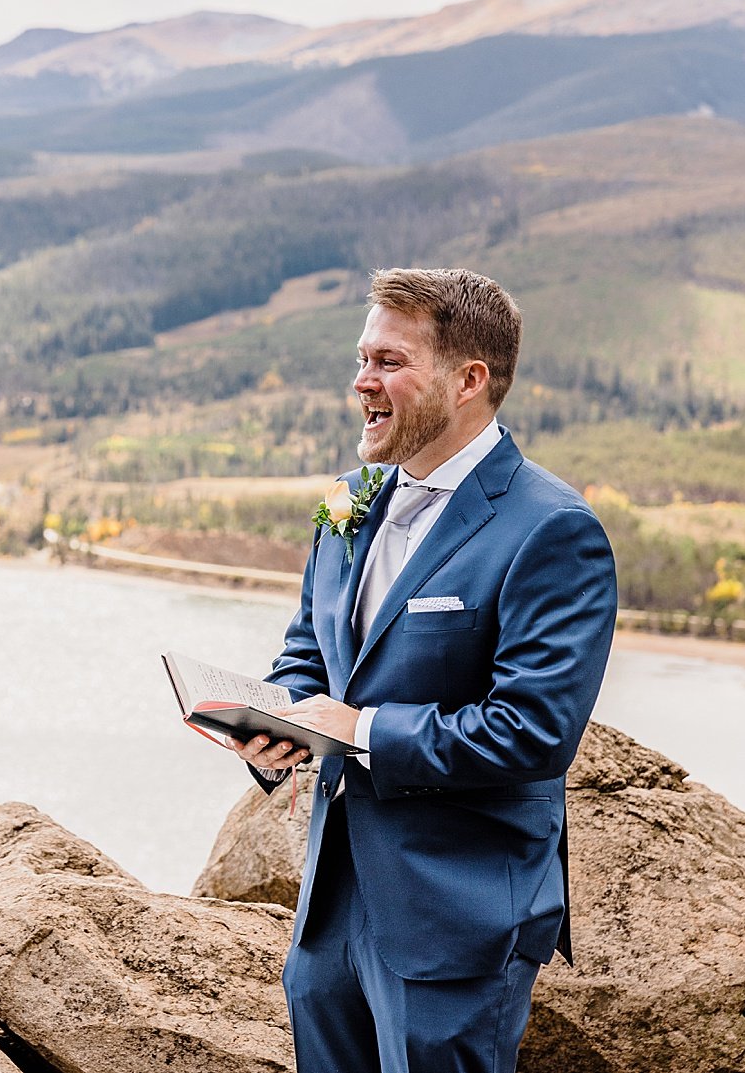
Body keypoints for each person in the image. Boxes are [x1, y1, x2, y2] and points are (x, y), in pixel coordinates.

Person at [229, 268, 617, 1073]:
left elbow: (532, 733)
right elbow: (312, 651)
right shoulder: (351, 500)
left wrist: (359, 729)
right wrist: (277, 723)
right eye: (362, 357)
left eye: (389, 362)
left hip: (458, 916)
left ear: (468, 380)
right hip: (331, 910)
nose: (361, 382)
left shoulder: (553, 529)